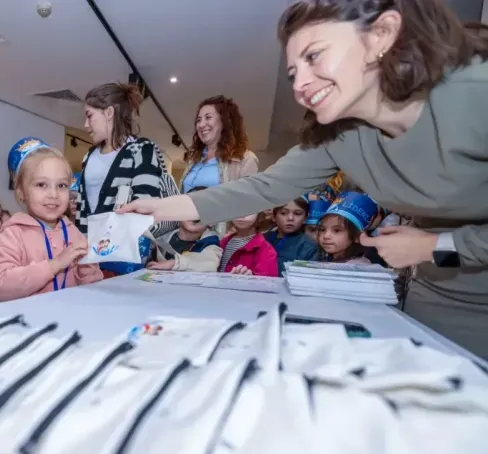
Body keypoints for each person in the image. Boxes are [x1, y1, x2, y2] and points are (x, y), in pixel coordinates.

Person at [119, 0, 488, 358]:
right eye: (293, 73)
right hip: (436, 293)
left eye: (313, 56)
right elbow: (262, 187)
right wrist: (157, 207)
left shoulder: (474, 92)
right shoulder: (339, 137)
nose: (299, 86)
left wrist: (434, 245)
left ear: (381, 35)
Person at [75, 82, 180, 277]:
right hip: (90, 253)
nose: (86, 125)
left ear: (108, 113)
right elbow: (83, 207)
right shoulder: (89, 156)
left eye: (89, 116)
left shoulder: (141, 150)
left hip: (125, 254)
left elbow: (146, 206)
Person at [0, 138, 102, 301]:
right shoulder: (13, 234)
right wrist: (54, 264)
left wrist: (87, 266)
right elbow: (2, 286)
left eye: (62, 185)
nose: (54, 194)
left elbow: (92, 283)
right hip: (28, 322)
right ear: (21, 192)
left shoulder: (72, 231)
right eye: (42, 185)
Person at [181, 95, 258, 193]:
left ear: (224, 121)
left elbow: (249, 202)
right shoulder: (193, 159)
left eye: (208, 117)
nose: (201, 125)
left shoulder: (246, 159)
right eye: (198, 120)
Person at [147, 186, 222, 272]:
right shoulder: (161, 239)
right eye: (190, 207)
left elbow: (209, 264)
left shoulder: (212, 243)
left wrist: (174, 263)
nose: (195, 214)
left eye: (203, 209)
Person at [317, 192, 378, 264]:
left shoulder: (358, 266)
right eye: (322, 230)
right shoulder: (325, 258)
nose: (326, 236)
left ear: (357, 237)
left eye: (337, 230)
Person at [265, 197, 320, 275]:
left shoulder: (309, 247)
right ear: (274, 217)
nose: (290, 218)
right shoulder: (263, 239)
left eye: (297, 213)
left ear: (305, 218)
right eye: (283, 213)